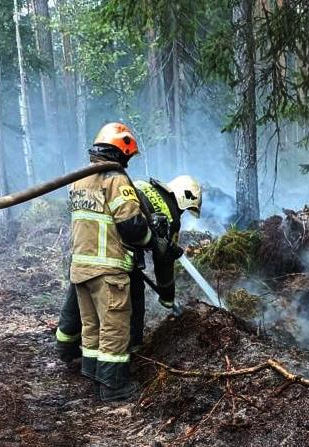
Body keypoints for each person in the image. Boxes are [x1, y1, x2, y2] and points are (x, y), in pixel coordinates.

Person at [65, 122, 180, 402]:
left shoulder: (80, 180)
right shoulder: (115, 180)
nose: (128, 162)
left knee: (92, 327)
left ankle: (93, 374)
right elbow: (132, 228)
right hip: (108, 269)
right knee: (115, 328)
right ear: (121, 151)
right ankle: (114, 388)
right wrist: (155, 239)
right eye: (128, 156)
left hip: (81, 268)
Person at [56, 174, 202, 358]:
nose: (183, 213)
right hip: (114, 252)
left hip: (85, 243)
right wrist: (167, 297)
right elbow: (163, 260)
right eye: (188, 209)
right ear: (185, 199)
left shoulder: (141, 185)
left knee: (81, 290)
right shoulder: (171, 215)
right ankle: (133, 351)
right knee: (134, 296)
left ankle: (65, 346)